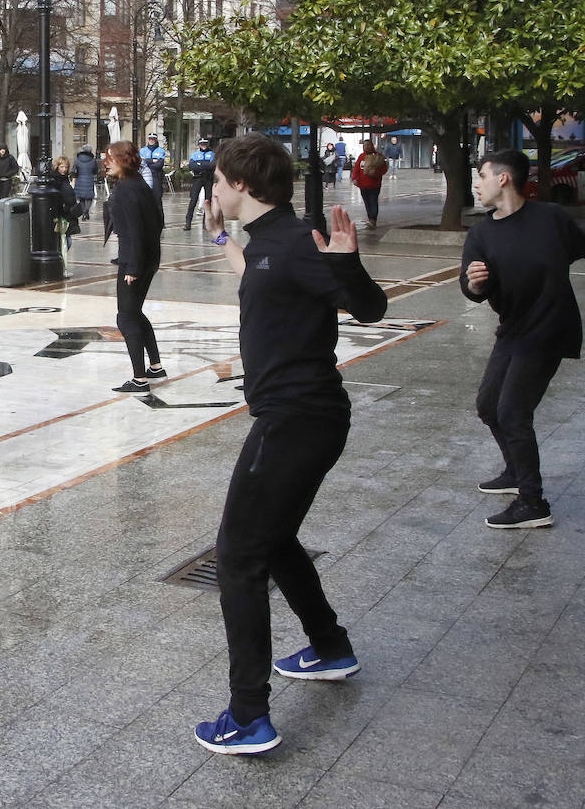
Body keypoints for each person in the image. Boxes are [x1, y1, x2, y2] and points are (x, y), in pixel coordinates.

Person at [192, 132, 387, 756]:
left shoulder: (300, 241)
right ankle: (329, 647)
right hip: (300, 418)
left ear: (241, 184)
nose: (213, 189)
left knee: (237, 556)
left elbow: (370, 309)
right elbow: (260, 277)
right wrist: (220, 240)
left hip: (297, 420)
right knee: (273, 540)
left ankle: (248, 716)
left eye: (217, 180)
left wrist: (348, 263)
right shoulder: (266, 241)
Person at [461, 149, 585, 529]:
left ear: (503, 178)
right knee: (488, 406)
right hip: (513, 329)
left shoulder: (549, 217)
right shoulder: (481, 233)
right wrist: (474, 284)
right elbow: (470, 288)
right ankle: (515, 470)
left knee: (513, 411)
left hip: (551, 326)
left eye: (481, 175)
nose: (476, 184)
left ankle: (532, 502)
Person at [104, 140, 165, 392]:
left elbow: (135, 231)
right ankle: (155, 366)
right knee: (135, 312)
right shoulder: (139, 184)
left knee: (126, 317)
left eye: (110, 158)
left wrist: (132, 267)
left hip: (135, 261)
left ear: (123, 160)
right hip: (147, 258)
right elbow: (158, 222)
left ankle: (140, 379)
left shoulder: (127, 188)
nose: (106, 163)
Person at [350, 139, 388, 229]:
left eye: (368, 145)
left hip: (374, 185)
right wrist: (354, 178)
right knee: (367, 203)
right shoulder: (361, 156)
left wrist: (376, 173)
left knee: (373, 202)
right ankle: (370, 218)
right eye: (364, 145)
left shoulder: (378, 156)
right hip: (363, 185)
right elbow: (356, 168)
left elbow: (384, 169)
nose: (366, 147)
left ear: (372, 145)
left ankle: (373, 220)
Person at [183, 137, 215, 230]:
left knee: (208, 200)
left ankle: (206, 223)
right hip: (197, 178)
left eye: (205, 144)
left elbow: (212, 165)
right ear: (199, 145)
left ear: (207, 144)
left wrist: (199, 164)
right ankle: (188, 223)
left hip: (208, 178)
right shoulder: (195, 154)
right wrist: (205, 165)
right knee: (193, 200)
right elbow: (191, 166)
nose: (203, 146)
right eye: (202, 144)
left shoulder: (212, 154)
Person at [73, 144, 98, 220]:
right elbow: (95, 170)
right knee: (89, 198)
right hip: (89, 179)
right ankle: (86, 212)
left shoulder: (77, 159)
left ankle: (84, 212)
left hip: (79, 179)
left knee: (81, 198)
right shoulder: (93, 160)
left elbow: (74, 170)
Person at [139, 133, 167, 201]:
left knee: (157, 197)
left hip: (156, 176)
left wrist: (146, 161)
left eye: (153, 139)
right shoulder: (142, 150)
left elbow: (159, 165)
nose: (151, 140)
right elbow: (140, 163)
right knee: (144, 198)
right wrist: (152, 160)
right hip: (144, 176)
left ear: (156, 140)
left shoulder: (161, 150)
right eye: (150, 139)